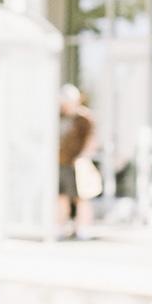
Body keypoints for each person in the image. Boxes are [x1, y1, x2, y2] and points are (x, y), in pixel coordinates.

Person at [57, 84, 97, 239]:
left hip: (78, 164)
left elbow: (93, 140)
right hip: (62, 163)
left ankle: (83, 228)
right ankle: (59, 226)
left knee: (82, 197)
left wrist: (83, 157)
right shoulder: (61, 117)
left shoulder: (84, 118)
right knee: (62, 196)